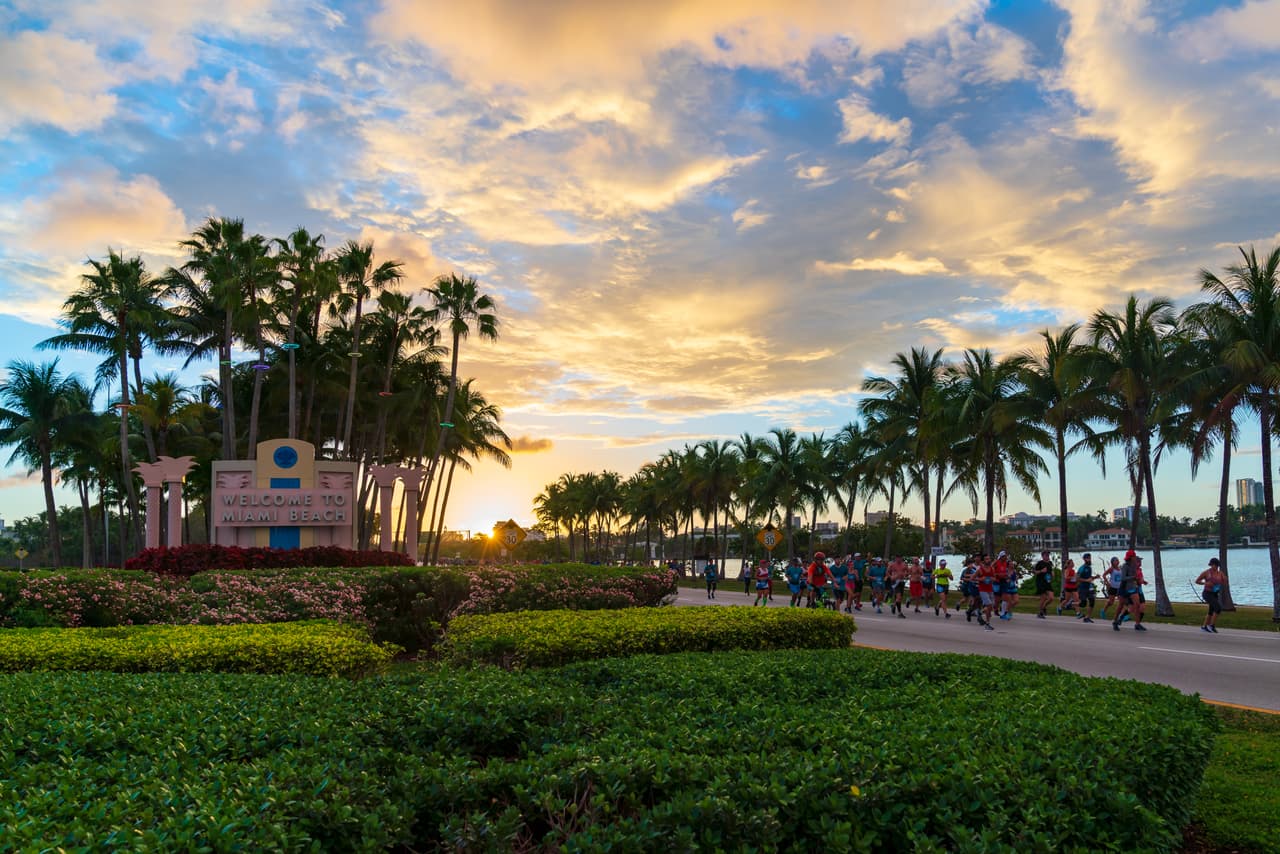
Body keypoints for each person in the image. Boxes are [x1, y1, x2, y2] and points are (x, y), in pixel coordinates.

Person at [1112, 551, 1146, 631]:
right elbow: (1123, 578)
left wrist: (1137, 580)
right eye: (1134, 556)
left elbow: (1135, 577)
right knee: (1120, 606)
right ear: (1130, 558)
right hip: (1124, 588)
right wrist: (1133, 577)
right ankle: (1115, 621)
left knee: (1137, 605)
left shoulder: (1134, 566)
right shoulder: (1125, 566)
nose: (1135, 558)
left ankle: (1137, 624)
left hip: (1132, 588)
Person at [1195, 557, 1227, 633]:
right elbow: (1197, 581)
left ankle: (1204, 627)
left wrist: (1224, 580)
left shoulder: (1220, 573)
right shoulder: (1206, 573)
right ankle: (1211, 625)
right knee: (1218, 608)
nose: (1216, 567)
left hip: (1215, 593)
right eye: (1214, 565)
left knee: (1211, 611)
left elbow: (1224, 581)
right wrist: (1206, 583)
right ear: (1211, 565)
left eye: (1217, 565)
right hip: (1207, 593)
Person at [1075, 553, 1097, 623]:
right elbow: (1077, 578)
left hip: (1089, 587)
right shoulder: (1082, 568)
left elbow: (1089, 578)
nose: (1089, 559)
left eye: (1090, 558)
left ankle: (1087, 617)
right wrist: (1086, 580)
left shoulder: (1089, 568)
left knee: (1092, 601)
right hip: (1082, 588)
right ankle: (1071, 604)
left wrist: (1095, 577)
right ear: (1084, 559)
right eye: (1088, 558)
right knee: (1083, 603)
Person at [1033, 551, 1055, 619]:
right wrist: (1041, 571)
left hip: (1047, 582)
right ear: (1043, 556)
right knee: (1043, 598)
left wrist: (1052, 574)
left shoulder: (1050, 563)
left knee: (1051, 598)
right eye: (1046, 555)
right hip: (1040, 582)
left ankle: (1044, 607)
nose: (1048, 556)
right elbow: (1035, 572)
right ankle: (1040, 612)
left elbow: (1050, 571)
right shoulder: (1040, 563)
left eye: (1048, 555)